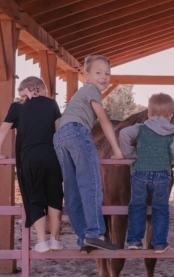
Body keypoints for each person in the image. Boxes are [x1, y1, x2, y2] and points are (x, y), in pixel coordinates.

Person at [53, 55, 124, 252]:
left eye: (107, 73)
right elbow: (104, 121)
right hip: (77, 132)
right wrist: (117, 151)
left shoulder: (78, 94)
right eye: (98, 73)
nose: (104, 77)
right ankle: (94, 233)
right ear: (86, 75)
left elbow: (59, 122)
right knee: (91, 182)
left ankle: (83, 237)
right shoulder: (91, 89)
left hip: (60, 137)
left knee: (72, 188)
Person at [0, 77, 63, 253]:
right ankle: (55, 239)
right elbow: (58, 132)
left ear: (24, 91)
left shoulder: (17, 107)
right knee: (54, 195)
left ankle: (41, 240)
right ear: (40, 89)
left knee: (35, 196)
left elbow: (3, 130)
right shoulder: (52, 104)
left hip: (30, 157)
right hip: (51, 155)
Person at [119, 93, 174, 253]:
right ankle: (160, 243)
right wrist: (168, 157)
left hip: (139, 173)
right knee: (160, 208)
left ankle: (134, 241)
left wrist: (130, 154)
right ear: (171, 116)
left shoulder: (140, 128)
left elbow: (123, 134)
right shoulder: (173, 132)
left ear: (148, 113)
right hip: (162, 174)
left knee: (136, 206)